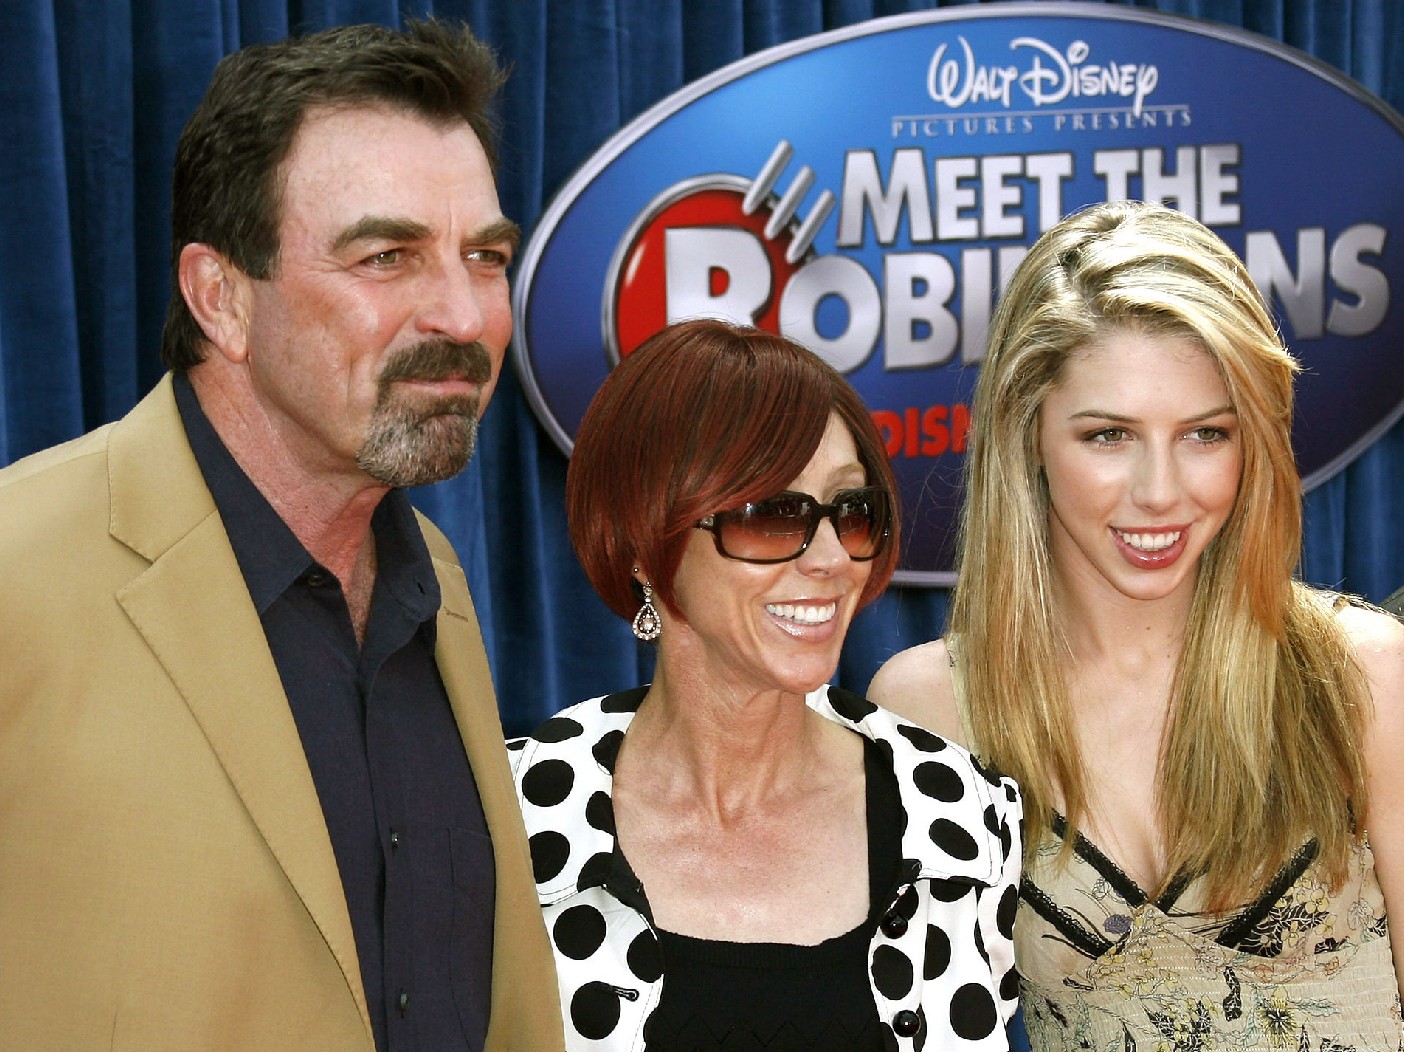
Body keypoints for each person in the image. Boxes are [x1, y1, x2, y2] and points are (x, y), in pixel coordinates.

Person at [0, 21, 562, 1052]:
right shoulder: (15, 574)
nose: (461, 312)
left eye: (485, 256)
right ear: (222, 297)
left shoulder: (432, 582)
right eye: (387, 255)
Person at [869, 201, 1404, 1049]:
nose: (1160, 491)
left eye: (1203, 434)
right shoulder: (931, 711)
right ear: (1028, 434)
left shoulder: (1365, 677)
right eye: (1109, 435)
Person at [509, 318, 1022, 1051]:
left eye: (852, 512)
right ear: (640, 546)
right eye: (771, 515)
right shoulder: (514, 819)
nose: (827, 559)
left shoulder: (964, 814)